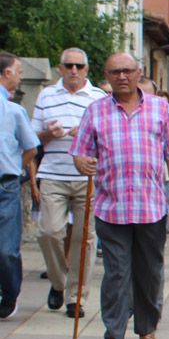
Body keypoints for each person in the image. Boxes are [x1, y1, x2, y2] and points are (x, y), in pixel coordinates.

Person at [70, 53, 169, 339]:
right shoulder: (95, 111)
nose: (121, 76)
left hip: (151, 208)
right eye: (114, 72)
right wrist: (82, 163)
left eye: (127, 71)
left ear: (139, 73)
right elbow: (80, 154)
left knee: (149, 272)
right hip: (112, 208)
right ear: (106, 77)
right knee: (116, 274)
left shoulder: (160, 108)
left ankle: (147, 327)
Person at [32, 48, 106, 317]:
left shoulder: (98, 98)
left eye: (79, 66)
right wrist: (48, 134)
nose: (73, 70)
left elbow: (107, 139)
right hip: (53, 172)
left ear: (86, 69)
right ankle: (58, 282)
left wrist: (84, 135)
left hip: (86, 175)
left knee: (84, 237)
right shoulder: (47, 95)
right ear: (60, 69)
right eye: (68, 65)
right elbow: (33, 137)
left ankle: (77, 297)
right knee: (49, 232)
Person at [0, 52, 40, 319]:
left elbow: (31, 148)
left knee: (6, 248)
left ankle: (10, 292)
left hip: (6, 185)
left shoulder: (14, 111)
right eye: (18, 71)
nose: (20, 77)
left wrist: (15, 166)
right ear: (6, 74)